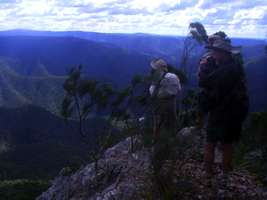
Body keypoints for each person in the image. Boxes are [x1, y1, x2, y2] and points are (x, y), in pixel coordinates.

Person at [198, 39, 249, 174]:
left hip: (222, 112)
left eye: (215, 51)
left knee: (211, 142)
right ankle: (225, 173)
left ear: (224, 53)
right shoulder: (234, 66)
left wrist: (202, 69)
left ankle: (209, 172)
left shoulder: (227, 70)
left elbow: (205, 83)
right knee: (227, 143)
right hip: (233, 112)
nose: (212, 53)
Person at [149, 58, 182, 139]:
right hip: (172, 102)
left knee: (158, 124)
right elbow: (179, 89)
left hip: (160, 103)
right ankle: (172, 140)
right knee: (172, 121)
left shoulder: (157, 78)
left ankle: (156, 141)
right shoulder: (174, 76)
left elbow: (152, 92)